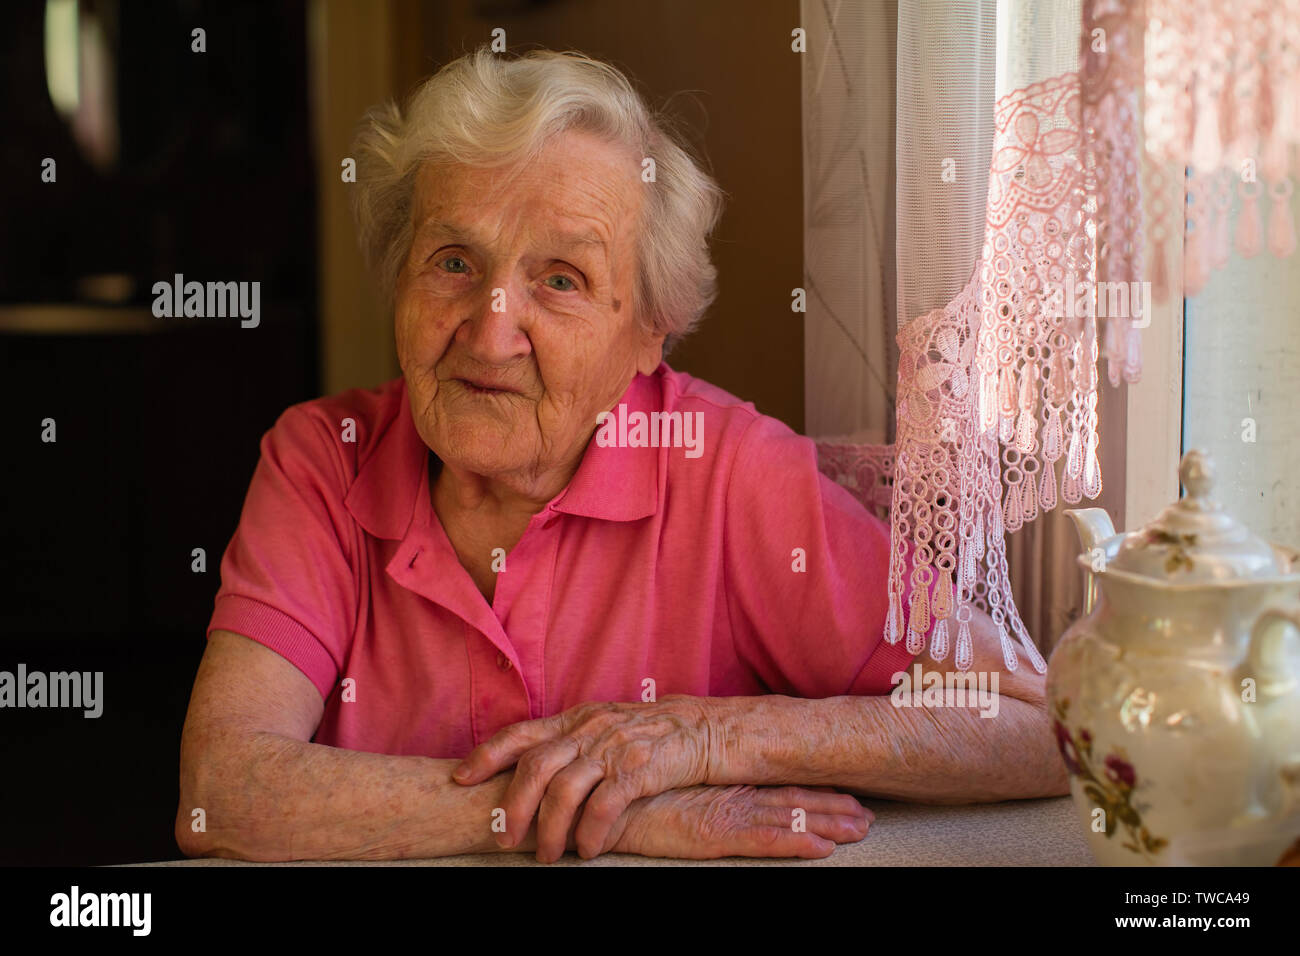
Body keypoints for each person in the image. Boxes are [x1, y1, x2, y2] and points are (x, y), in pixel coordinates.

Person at [176, 47, 1066, 864]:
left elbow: (1036, 724)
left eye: (560, 279)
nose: (490, 334)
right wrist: (604, 809)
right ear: (398, 275)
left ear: (649, 332)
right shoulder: (322, 460)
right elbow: (222, 791)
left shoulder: (730, 476)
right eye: (453, 261)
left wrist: (707, 740)